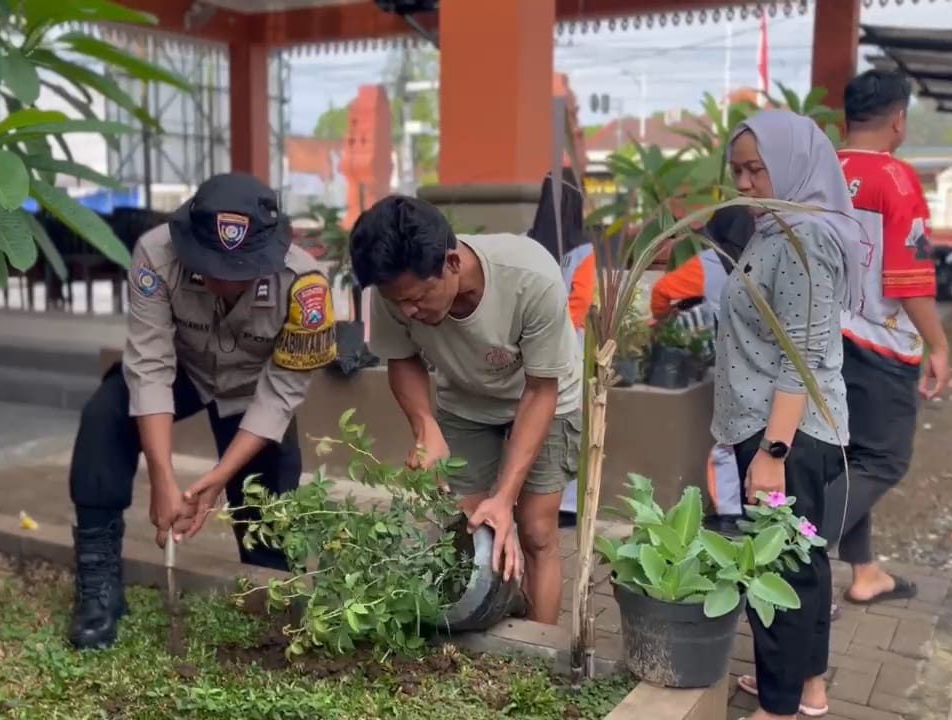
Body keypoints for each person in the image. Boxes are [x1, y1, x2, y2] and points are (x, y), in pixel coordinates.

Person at [66, 173, 337, 650]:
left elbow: (280, 395)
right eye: (212, 267)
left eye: (241, 271)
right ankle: (98, 584)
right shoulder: (155, 254)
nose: (225, 282)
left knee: (265, 520)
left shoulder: (306, 284)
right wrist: (163, 478)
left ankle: (269, 602)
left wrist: (215, 480)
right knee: (104, 417)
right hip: (184, 368)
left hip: (255, 390)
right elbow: (149, 365)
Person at [349, 196, 583, 626]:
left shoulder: (531, 277)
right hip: (466, 400)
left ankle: (540, 653)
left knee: (534, 530)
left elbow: (540, 390)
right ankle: (485, 628)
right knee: (470, 530)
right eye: (397, 303)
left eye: (418, 299)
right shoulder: (395, 290)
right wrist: (425, 426)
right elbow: (402, 360)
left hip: (545, 397)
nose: (408, 312)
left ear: (452, 264)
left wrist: (506, 496)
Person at [716, 109, 860, 720]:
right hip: (772, 426)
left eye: (756, 169)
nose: (744, 183)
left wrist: (772, 454)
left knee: (778, 566)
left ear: (795, 167)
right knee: (803, 563)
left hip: (787, 435)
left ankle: (778, 705)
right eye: (738, 170)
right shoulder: (777, 229)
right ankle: (809, 688)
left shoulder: (802, 242)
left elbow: (798, 356)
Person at [819, 69, 951, 611]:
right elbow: (908, 277)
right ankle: (790, 548)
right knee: (885, 460)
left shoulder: (819, 170)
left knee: (850, 458)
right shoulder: (896, 180)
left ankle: (866, 571)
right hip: (879, 343)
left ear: (846, 117)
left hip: (824, 337)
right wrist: (939, 344)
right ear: (899, 119)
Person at [649, 207, 757, 529]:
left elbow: (662, 291)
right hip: (765, 365)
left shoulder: (708, 263)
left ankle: (727, 514)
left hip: (728, 363)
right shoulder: (765, 260)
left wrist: (663, 319)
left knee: (725, 441)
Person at [526, 167, 591, 526]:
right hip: (567, 353)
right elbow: (579, 306)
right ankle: (565, 505)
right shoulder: (584, 252)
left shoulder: (527, 242)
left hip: (528, 349)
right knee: (567, 425)